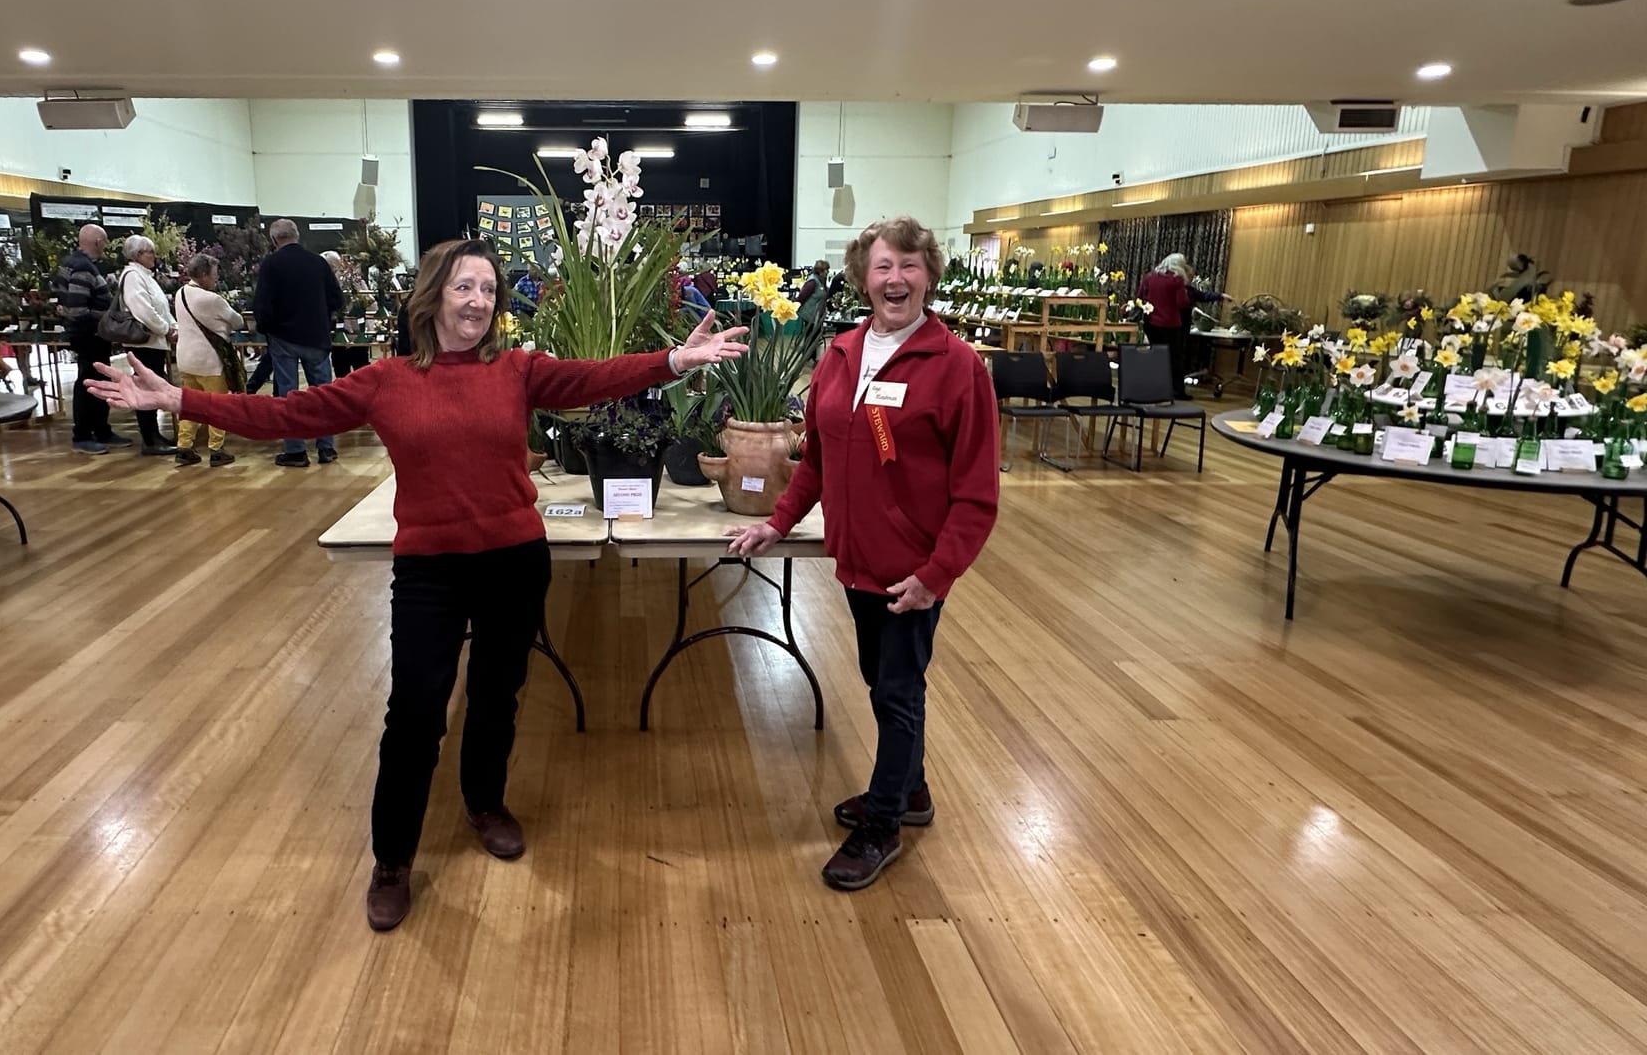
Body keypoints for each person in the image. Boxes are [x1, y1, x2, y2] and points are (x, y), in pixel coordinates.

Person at [88, 237, 750, 931]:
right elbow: (286, 415)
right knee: (414, 715)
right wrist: (181, 399)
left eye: (488, 289)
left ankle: (484, 803)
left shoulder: (518, 369)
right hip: (430, 572)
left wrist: (675, 361)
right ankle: (393, 857)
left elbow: (595, 378)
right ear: (433, 297)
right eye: (465, 287)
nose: (479, 301)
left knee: (497, 697)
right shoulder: (386, 380)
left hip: (514, 561)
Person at [726, 216, 999, 892]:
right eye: (883, 266)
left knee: (898, 692)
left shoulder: (958, 367)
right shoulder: (843, 353)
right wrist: (778, 523)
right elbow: (817, 461)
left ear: (929, 276)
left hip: (912, 572)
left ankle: (882, 824)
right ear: (862, 277)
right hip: (855, 561)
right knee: (883, 681)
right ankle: (911, 791)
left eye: (909, 265)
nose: (896, 279)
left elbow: (976, 494)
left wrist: (936, 575)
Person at [252, 218, 346, 466]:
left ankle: (295, 451)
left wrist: (266, 330)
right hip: (316, 336)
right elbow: (337, 299)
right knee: (323, 393)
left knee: (289, 394)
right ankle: (326, 448)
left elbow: (262, 304)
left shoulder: (271, 264)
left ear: (274, 240)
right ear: (297, 235)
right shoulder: (318, 262)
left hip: (284, 338)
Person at [52, 223, 131, 454]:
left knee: (99, 382)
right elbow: (77, 309)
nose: (105, 246)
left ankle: (101, 430)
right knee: (88, 382)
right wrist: (102, 324)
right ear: (98, 242)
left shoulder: (72, 262)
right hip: (89, 336)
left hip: (92, 335)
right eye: (104, 242)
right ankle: (83, 435)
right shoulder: (82, 267)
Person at [171, 253, 246, 467]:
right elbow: (238, 321)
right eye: (214, 273)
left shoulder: (180, 293)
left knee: (191, 405)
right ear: (204, 275)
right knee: (217, 404)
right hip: (209, 360)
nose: (216, 277)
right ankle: (216, 449)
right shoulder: (212, 299)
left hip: (186, 359)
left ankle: (184, 446)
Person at [116, 235, 179, 456]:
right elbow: (143, 311)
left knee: (152, 387)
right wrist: (166, 329)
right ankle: (150, 439)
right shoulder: (133, 276)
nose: (154, 255)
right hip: (144, 343)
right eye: (149, 252)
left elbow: (160, 307)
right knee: (146, 389)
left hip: (154, 343)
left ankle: (154, 435)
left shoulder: (146, 276)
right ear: (137, 255)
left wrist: (173, 327)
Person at [1138, 253, 1227, 399]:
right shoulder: (1176, 280)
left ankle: (1152, 386)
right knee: (1174, 358)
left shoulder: (1149, 277)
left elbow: (1140, 296)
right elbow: (1182, 302)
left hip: (1151, 323)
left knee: (1156, 355)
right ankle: (1177, 391)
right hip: (1170, 324)